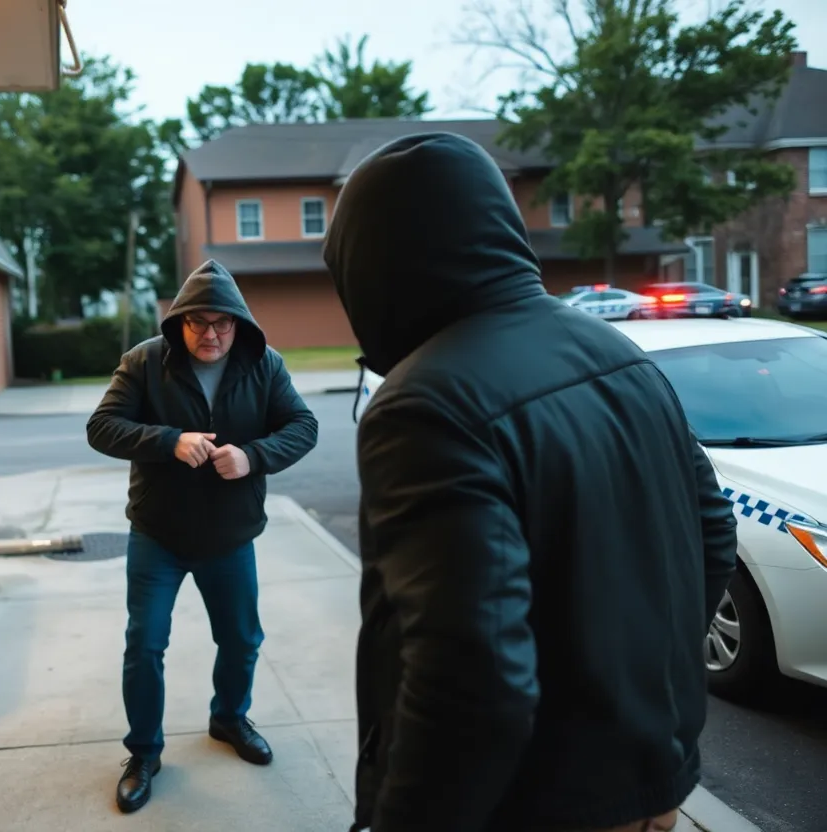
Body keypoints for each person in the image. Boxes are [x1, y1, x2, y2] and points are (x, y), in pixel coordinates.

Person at [322, 133, 738, 832]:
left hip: (533, 802)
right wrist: (627, 678)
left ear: (375, 261)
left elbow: (468, 673)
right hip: (652, 782)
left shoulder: (425, 404)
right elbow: (712, 533)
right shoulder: (617, 351)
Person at [86, 259, 318, 815]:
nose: (210, 334)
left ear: (239, 324)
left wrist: (253, 455)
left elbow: (302, 426)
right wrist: (169, 441)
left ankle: (229, 719)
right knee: (145, 645)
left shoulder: (265, 364)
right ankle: (143, 754)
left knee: (241, 640)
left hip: (230, 535)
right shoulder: (145, 361)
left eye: (222, 323)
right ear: (179, 322)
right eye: (198, 323)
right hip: (158, 533)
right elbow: (102, 427)